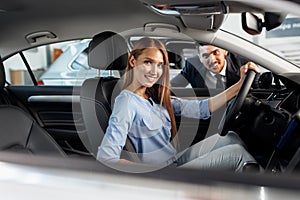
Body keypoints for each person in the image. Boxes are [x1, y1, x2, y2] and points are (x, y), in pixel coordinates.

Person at [97, 37, 260, 172]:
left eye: (159, 65)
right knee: (237, 154)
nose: (155, 71)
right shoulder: (126, 101)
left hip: (173, 159)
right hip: (164, 171)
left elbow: (202, 108)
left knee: (231, 138)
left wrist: (239, 85)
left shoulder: (153, 96)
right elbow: (106, 158)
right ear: (133, 61)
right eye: (148, 62)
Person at [171, 44, 259, 89]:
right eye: (205, 56)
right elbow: (171, 87)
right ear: (200, 58)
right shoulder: (192, 65)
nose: (212, 60)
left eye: (216, 52)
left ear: (225, 51)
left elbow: (259, 88)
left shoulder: (243, 63)